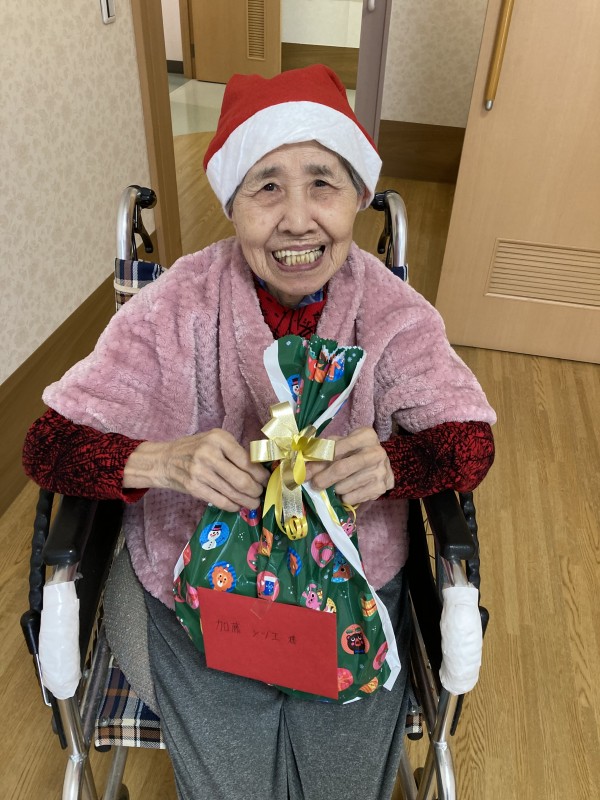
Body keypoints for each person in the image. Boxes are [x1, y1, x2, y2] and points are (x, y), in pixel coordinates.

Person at [23, 65, 496, 800]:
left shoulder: (390, 311)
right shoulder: (179, 303)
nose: (297, 220)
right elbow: (49, 445)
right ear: (232, 205)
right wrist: (162, 462)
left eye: (322, 183)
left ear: (357, 197)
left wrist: (395, 466)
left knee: (342, 787)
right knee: (233, 786)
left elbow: (468, 441)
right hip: (199, 592)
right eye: (266, 187)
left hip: (351, 590)